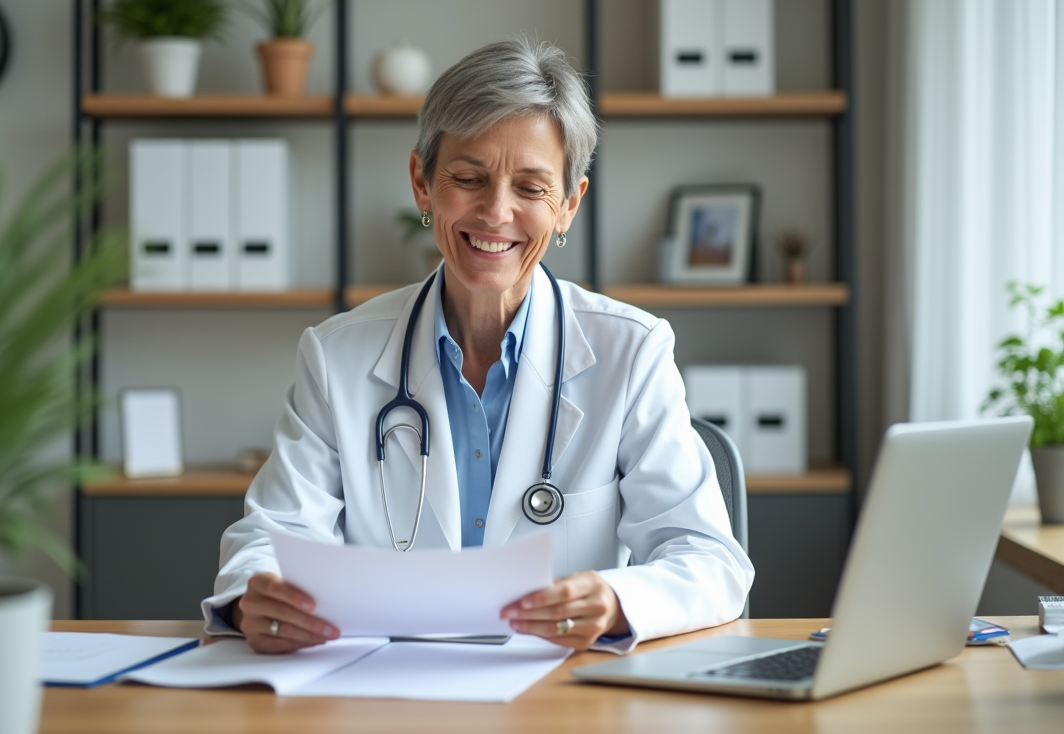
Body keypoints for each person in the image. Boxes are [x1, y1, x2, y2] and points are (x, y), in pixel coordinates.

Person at [202, 38, 753, 655]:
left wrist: (617, 599)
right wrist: (259, 594)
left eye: (531, 188)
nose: (496, 213)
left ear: (569, 205)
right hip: (382, 690)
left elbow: (708, 559)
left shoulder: (632, 352)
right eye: (468, 178)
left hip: (560, 695)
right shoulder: (337, 356)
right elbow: (272, 535)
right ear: (422, 183)